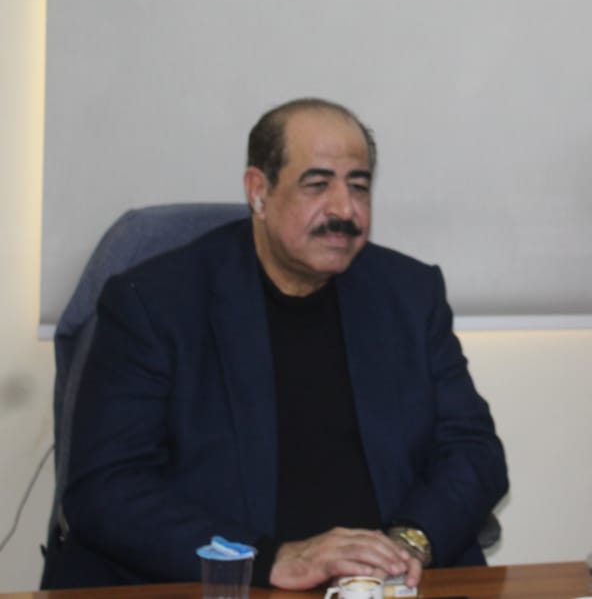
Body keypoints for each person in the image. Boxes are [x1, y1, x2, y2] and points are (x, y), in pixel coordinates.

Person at [46, 99, 508, 590]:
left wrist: (409, 542)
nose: (345, 209)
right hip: (229, 586)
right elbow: (107, 489)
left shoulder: (409, 294)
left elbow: (473, 451)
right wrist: (272, 559)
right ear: (259, 192)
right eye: (317, 184)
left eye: (358, 186)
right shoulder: (155, 304)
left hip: (379, 585)